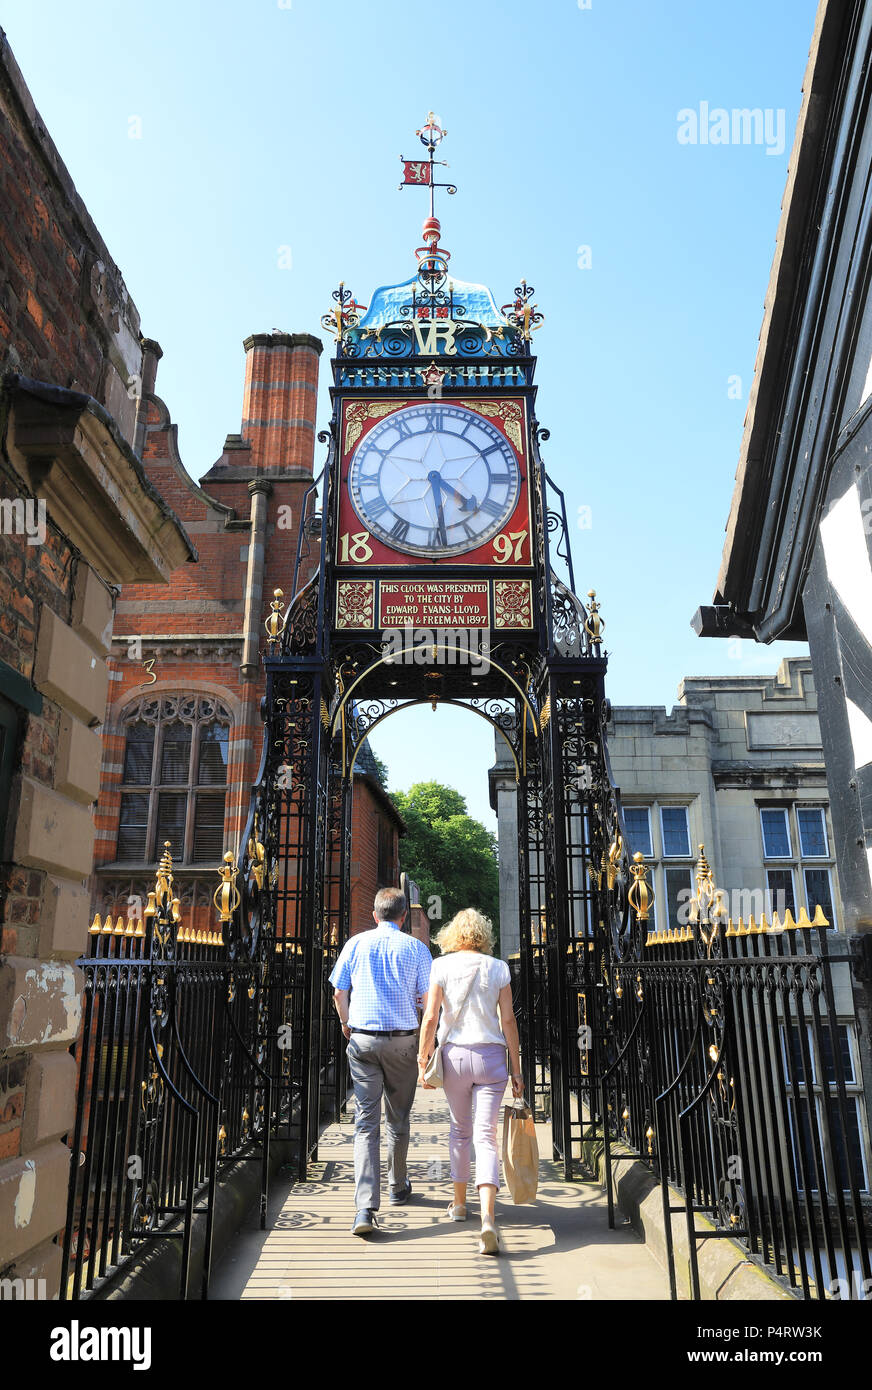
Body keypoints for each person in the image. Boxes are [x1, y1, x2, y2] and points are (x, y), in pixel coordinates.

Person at [417, 907, 522, 1255]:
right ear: (483, 935)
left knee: (460, 1132)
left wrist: (423, 1058)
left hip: (456, 1058)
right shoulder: (499, 968)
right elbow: (508, 1022)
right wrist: (517, 1069)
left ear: (453, 935)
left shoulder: (441, 965)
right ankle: (489, 1219)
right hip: (492, 1059)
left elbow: (431, 1016)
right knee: (486, 1137)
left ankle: (460, 1205)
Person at [329, 886, 433, 1236]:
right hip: (403, 1042)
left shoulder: (355, 944)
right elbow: (426, 999)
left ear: (375, 914)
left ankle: (364, 1209)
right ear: (404, 917)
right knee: (398, 1118)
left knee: (365, 1123)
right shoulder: (417, 948)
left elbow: (339, 992)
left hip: (362, 1040)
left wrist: (346, 1022)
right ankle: (398, 1184)